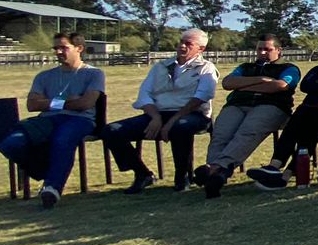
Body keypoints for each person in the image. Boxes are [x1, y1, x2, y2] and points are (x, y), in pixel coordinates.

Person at [103, 27, 219, 194]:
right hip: (158, 114)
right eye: (181, 42)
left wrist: (172, 121)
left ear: (201, 49)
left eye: (188, 43)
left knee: (180, 127)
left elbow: (201, 97)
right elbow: (144, 94)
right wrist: (155, 117)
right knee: (111, 131)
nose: (182, 46)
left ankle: (183, 177)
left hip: (192, 115)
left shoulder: (205, 68)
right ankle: (142, 174)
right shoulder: (161, 67)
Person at [0, 31, 105, 209]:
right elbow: (32, 105)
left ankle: (52, 188)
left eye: (63, 47)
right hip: (47, 120)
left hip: (80, 121)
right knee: (10, 143)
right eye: (55, 48)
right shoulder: (44, 76)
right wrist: (65, 102)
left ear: (79, 48)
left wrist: (48, 103)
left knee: (62, 139)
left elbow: (85, 104)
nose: (58, 52)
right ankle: (45, 169)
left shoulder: (93, 74)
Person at [195, 34, 301, 199]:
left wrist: (245, 85)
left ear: (279, 51)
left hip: (271, 106)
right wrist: (260, 80)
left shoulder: (288, 68)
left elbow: (280, 86)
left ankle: (217, 168)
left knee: (247, 132)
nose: (263, 52)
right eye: (260, 49)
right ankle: (216, 175)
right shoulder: (245, 67)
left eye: (268, 49)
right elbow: (228, 83)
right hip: (237, 105)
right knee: (221, 134)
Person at [247, 39, 318, 190]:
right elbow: (305, 86)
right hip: (311, 109)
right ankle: (275, 166)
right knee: (291, 129)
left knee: (309, 135)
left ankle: (286, 175)